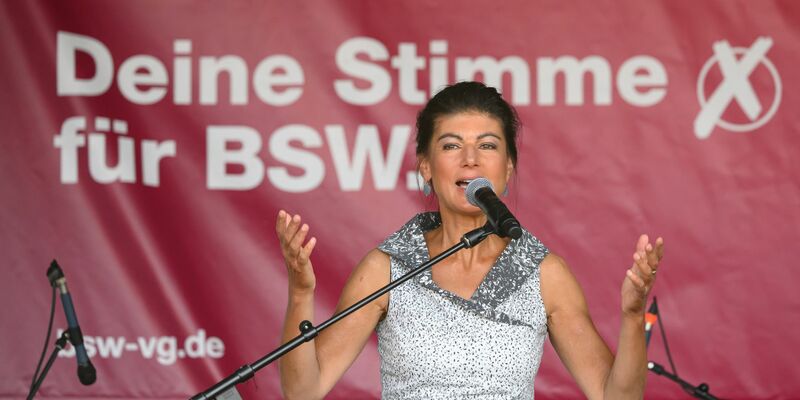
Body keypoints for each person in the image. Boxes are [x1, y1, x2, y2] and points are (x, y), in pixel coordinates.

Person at [275, 81, 664, 399]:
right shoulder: (388, 267)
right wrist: (300, 294)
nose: (471, 159)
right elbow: (303, 391)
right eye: (451, 145)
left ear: (508, 167)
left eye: (488, 145)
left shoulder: (543, 273)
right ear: (426, 166)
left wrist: (632, 318)